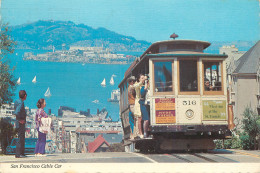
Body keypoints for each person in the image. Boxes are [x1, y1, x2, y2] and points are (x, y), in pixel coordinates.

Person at [14, 90, 27, 158]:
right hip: (20, 123)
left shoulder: (17, 101)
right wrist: (20, 120)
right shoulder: (21, 103)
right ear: (25, 96)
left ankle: (21, 153)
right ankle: (19, 154)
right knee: (21, 138)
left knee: (20, 138)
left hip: (18, 122)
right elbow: (17, 112)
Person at [134, 74, 146, 138]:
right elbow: (137, 85)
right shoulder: (136, 85)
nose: (143, 79)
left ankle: (144, 132)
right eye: (142, 78)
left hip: (144, 102)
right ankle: (140, 133)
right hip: (138, 103)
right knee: (139, 118)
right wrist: (142, 81)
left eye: (143, 78)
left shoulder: (144, 85)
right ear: (139, 79)